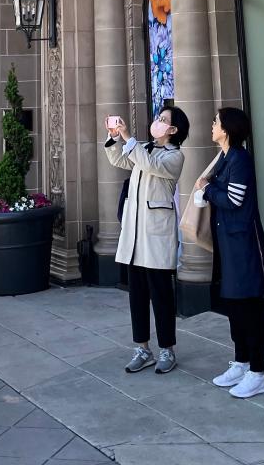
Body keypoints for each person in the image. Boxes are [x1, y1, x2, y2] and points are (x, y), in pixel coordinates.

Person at [104, 105, 189, 375]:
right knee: (137, 295)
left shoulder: (175, 156)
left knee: (161, 294)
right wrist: (115, 137)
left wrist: (128, 138)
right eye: (158, 117)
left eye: (163, 120)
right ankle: (142, 347)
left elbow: (149, 165)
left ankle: (167, 349)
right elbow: (119, 160)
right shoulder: (143, 148)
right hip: (135, 234)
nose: (157, 122)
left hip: (156, 234)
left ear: (173, 130)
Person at [194, 106, 264, 399]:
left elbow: (234, 199)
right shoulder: (226, 158)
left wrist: (207, 189)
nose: (212, 125)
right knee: (235, 308)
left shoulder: (239, 158)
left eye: (216, 121)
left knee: (249, 308)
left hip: (244, 246)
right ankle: (241, 362)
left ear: (227, 129)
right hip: (228, 243)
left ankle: (258, 373)